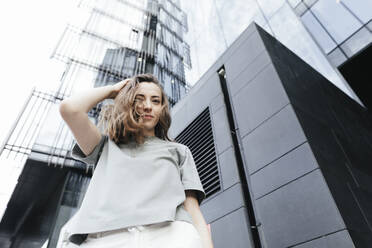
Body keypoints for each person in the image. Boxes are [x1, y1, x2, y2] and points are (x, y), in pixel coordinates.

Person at [59, 73, 214, 248]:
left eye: (155, 101)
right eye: (139, 99)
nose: (148, 106)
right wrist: (112, 91)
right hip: (105, 237)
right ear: (129, 103)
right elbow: (70, 109)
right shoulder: (105, 146)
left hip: (171, 234)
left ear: (162, 108)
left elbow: (192, 209)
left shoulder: (179, 151)